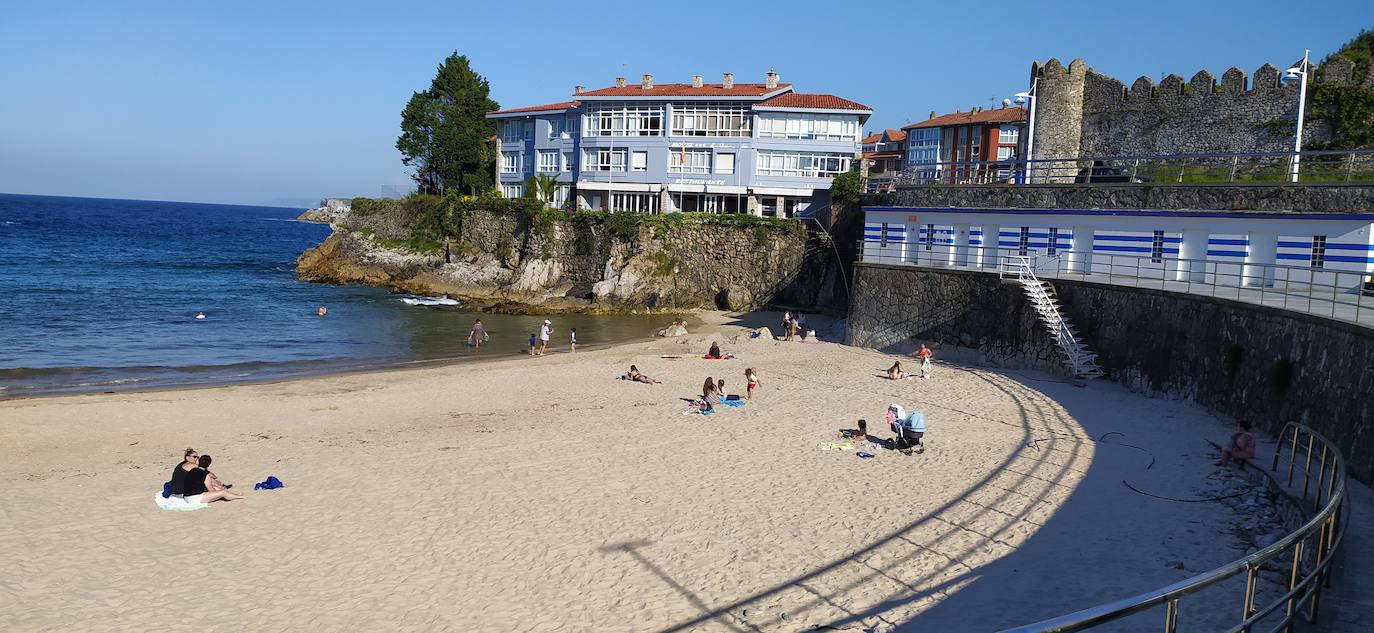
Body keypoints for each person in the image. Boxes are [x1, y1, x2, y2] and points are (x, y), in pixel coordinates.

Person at [169, 448, 242, 503]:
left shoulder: (182, 464)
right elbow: (211, 475)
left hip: (178, 492)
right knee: (212, 483)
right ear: (187, 457)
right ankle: (223, 488)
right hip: (181, 494)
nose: (196, 459)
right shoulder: (191, 465)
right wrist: (218, 482)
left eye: (198, 457)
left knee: (209, 481)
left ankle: (222, 488)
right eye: (194, 457)